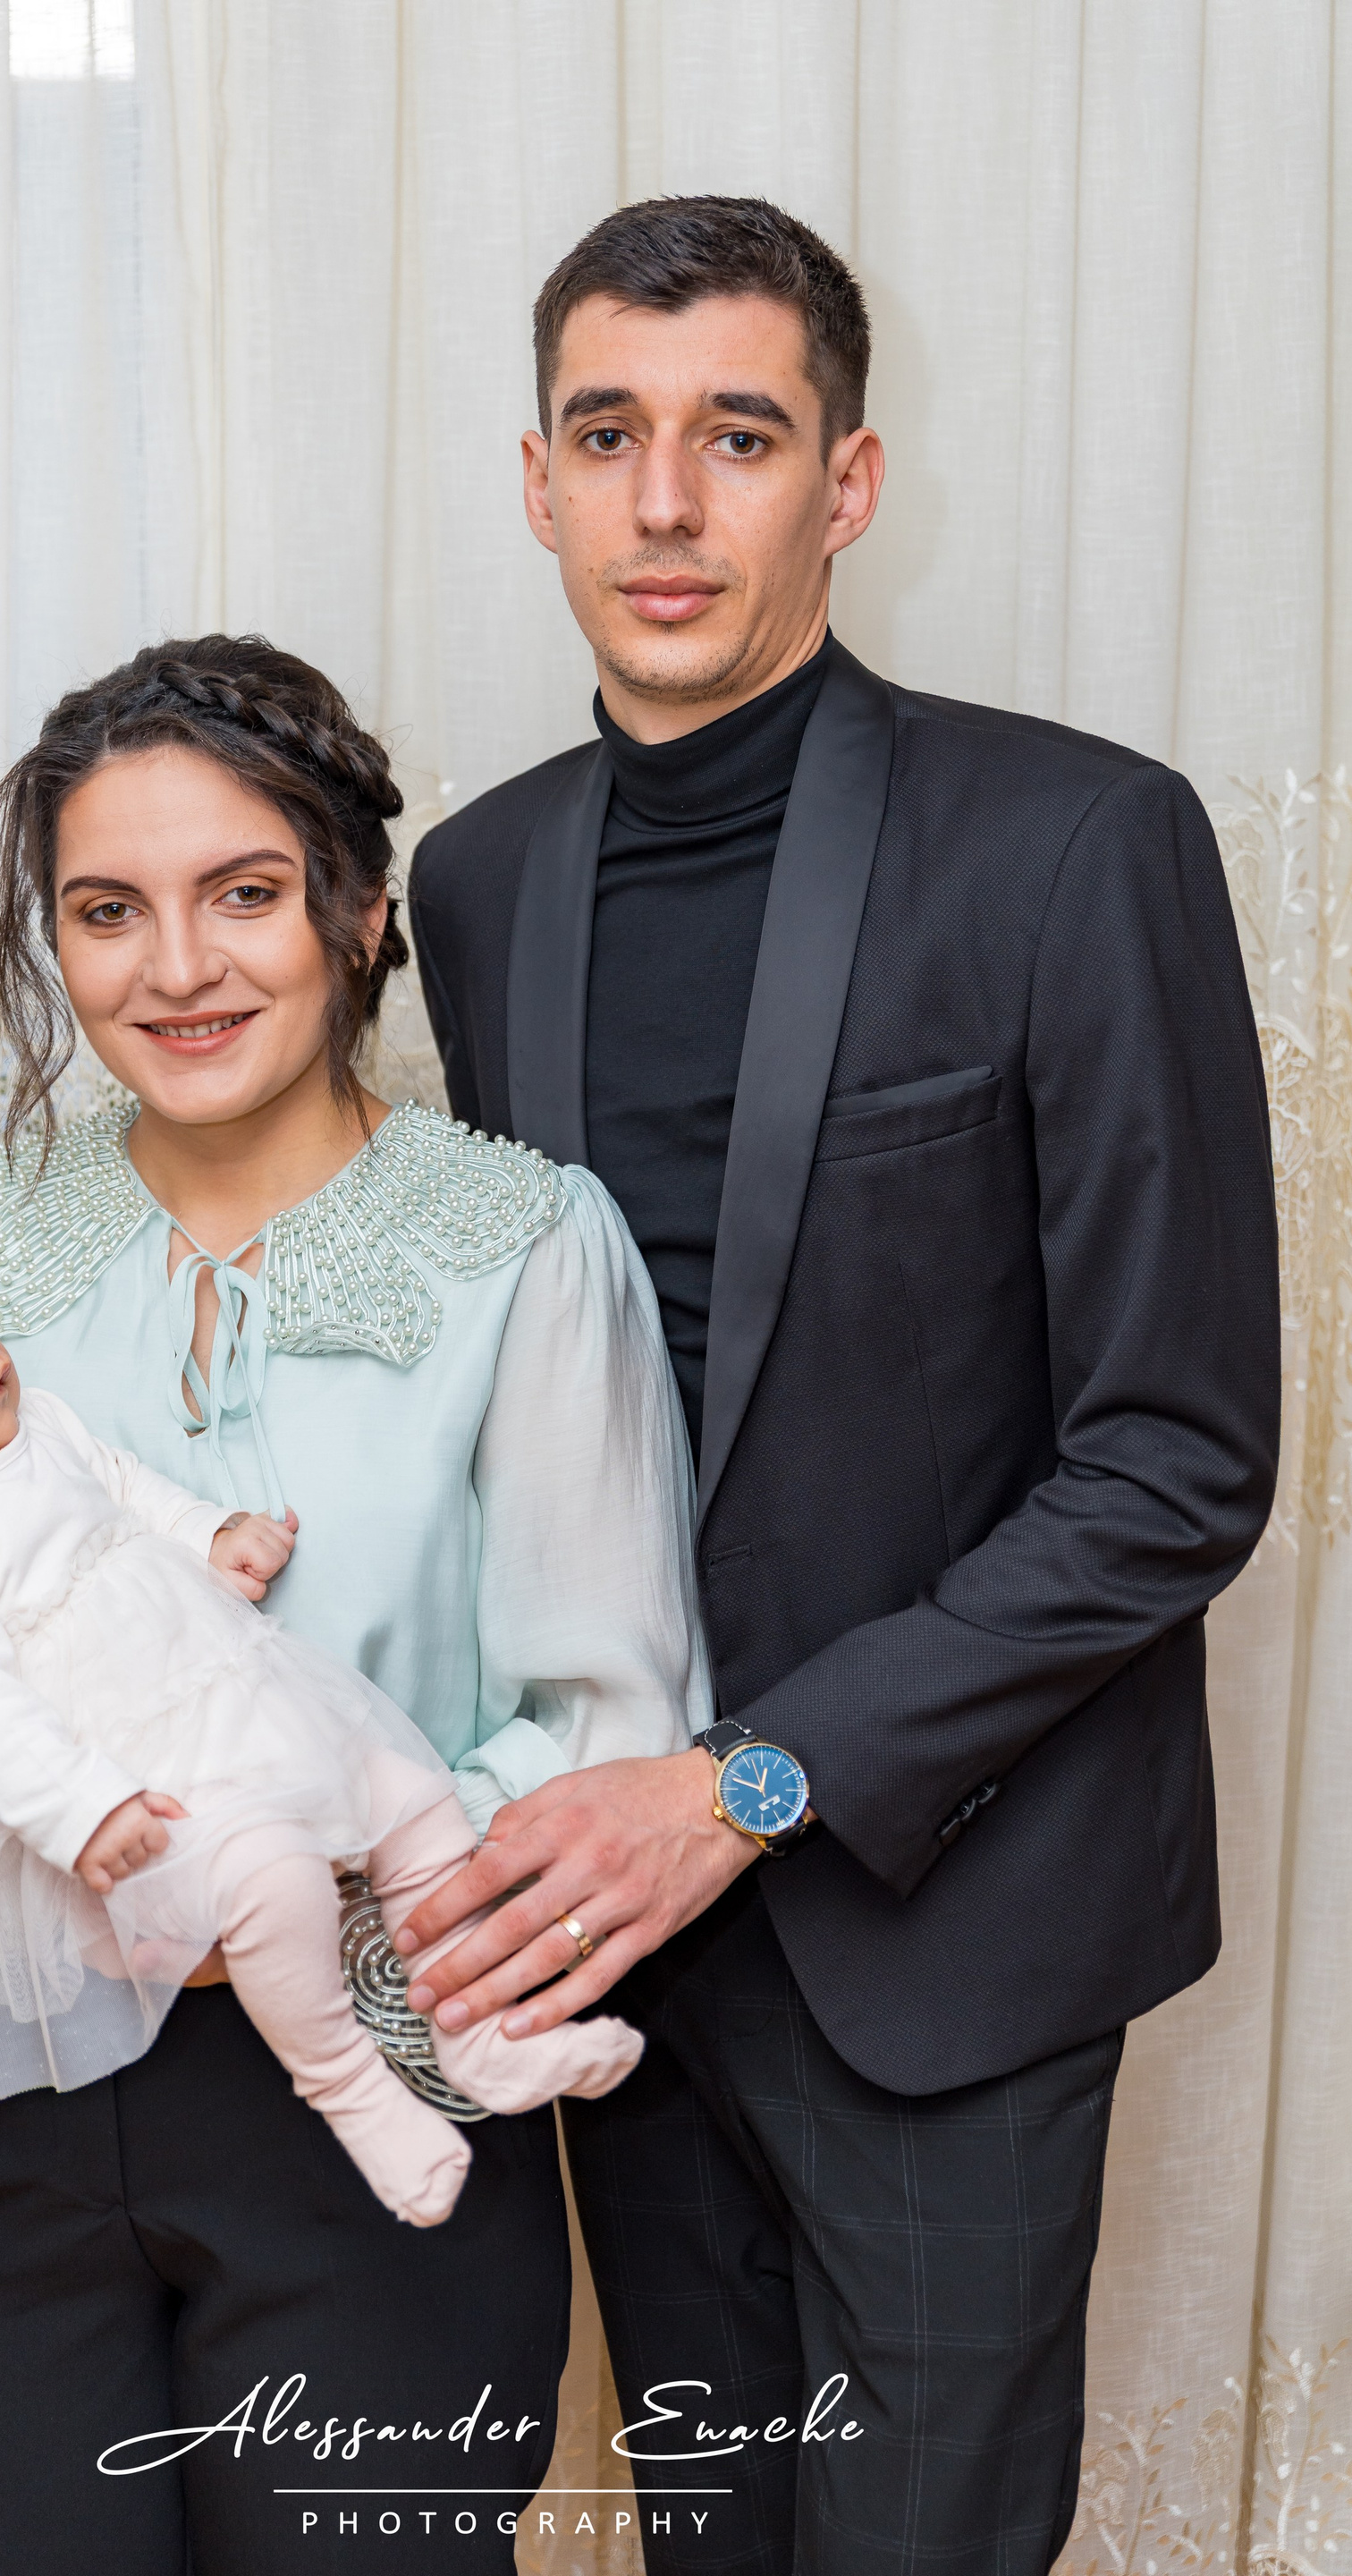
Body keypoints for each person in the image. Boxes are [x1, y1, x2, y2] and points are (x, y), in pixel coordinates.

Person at [403, 195, 1281, 2574]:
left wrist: (752, 1784)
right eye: (610, 435)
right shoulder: (474, 883)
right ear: (538, 482)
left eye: (740, 434)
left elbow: (1175, 1461)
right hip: (620, 1945)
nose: (666, 502)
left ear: (849, 482)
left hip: (953, 1927)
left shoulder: (1078, 841)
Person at [0, 636, 707, 2574]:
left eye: (242, 893)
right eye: (107, 911)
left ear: (358, 912)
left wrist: (288, 1904)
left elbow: (605, 1724)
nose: (176, 969)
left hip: (382, 2087)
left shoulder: (522, 1243)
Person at [0, 1241, 646, 2221]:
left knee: (411, 1797)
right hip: (125, 1762)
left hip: (223, 1694)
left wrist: (207, 1534)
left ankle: (479, 2039)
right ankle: (351, 2087)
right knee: (273, 1878)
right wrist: (81, 1812)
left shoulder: (36, 1422)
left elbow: (126, 1489)